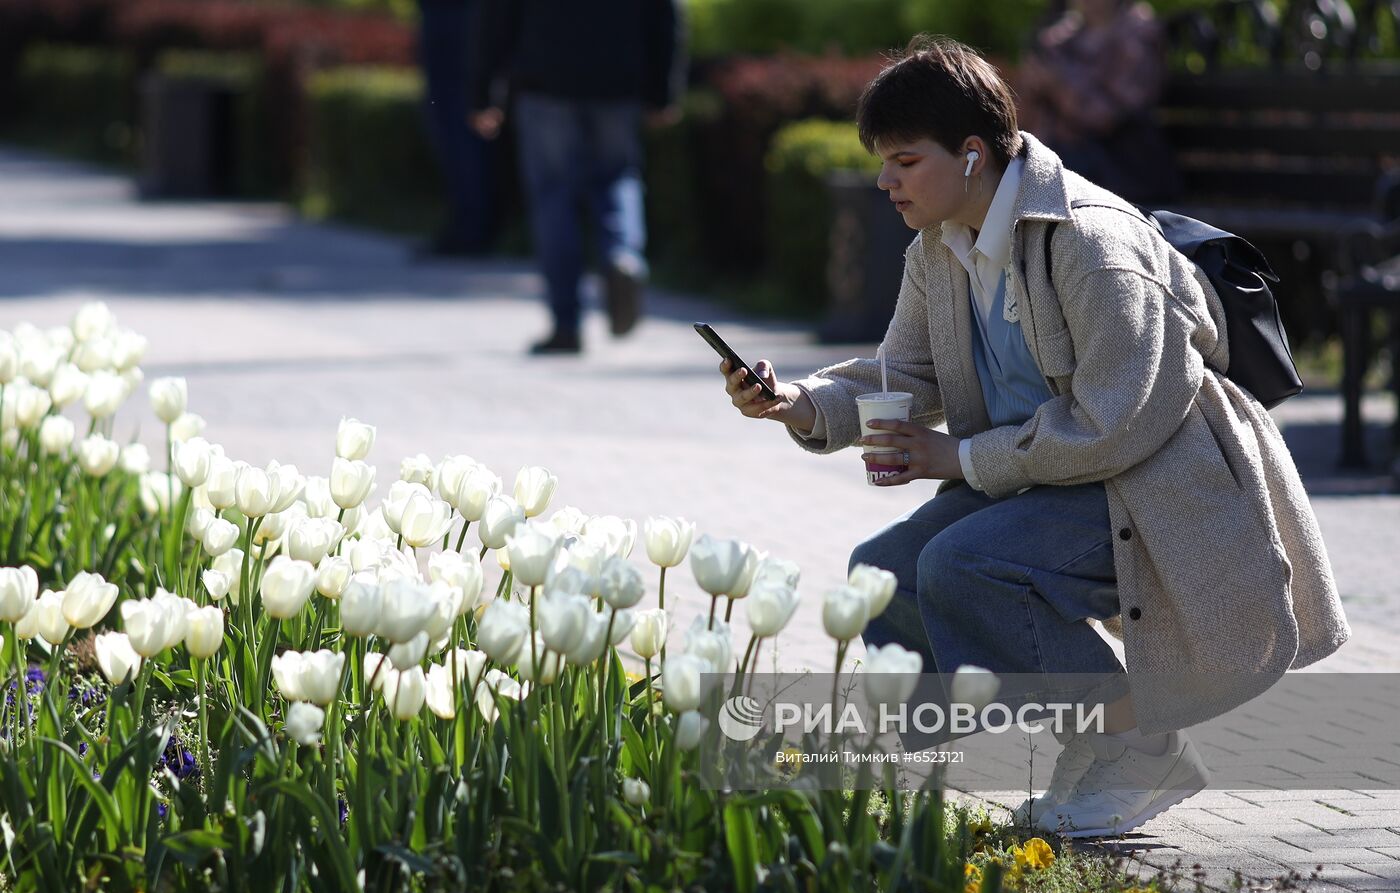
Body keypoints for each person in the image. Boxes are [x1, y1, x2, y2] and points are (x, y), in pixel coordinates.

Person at [718, 36, 1349, 837]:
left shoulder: (1095, 244)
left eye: (905, 162)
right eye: (884, 162)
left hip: (1156, 485)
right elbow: (904, 376)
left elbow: (1121, 419)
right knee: (885, 571)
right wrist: (798, 403)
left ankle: (1140, 744)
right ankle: (1050, 751)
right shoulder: (940, 247)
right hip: (1046, 478)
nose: (884, 181)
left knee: (966, 563)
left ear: (972, 154)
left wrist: (959, 457)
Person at [470, 0, 685, 355]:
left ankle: (566, 324)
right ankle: (622, 253)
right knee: (618, 177)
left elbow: (496, 14)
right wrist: (663, 88)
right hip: (618, 79)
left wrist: (482, 92)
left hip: (545, 79)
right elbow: (666, 11)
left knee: (554, 197)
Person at [1016, 0, 1181, 204]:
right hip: (1067, 160)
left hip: (1123, 165)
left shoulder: (1139, 35)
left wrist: (1058, 88)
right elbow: (1027, 117)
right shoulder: (1059, 38)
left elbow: (1108, 117)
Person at [415, 0, 493, 257]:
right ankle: (473, 224)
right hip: (472, 17)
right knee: (462, 123)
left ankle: (468, 228)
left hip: (451, 17)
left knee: (454, 125)